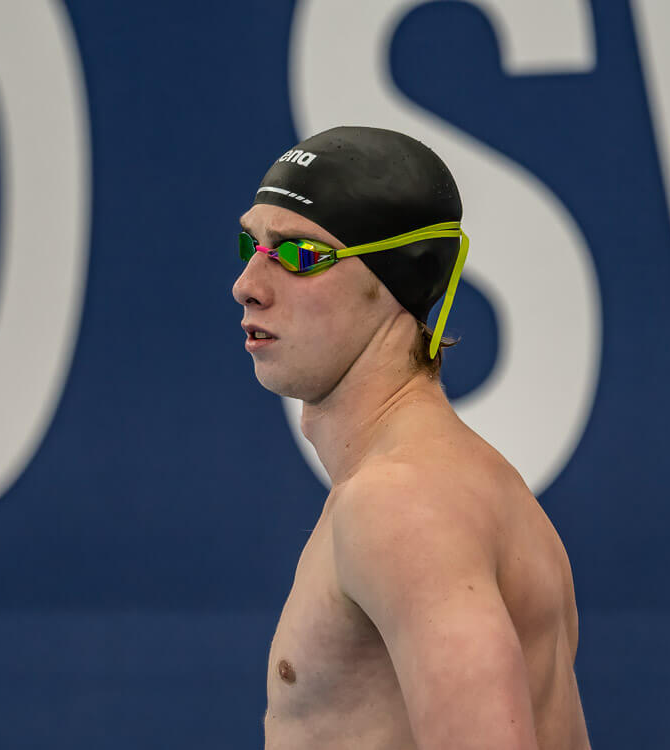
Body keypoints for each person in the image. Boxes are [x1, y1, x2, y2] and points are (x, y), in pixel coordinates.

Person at [232, 126, 590, 750]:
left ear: (403, 280)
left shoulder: (401, 506)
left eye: (300, 255)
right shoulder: (463, 484)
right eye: (252, 246)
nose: (249, 285)